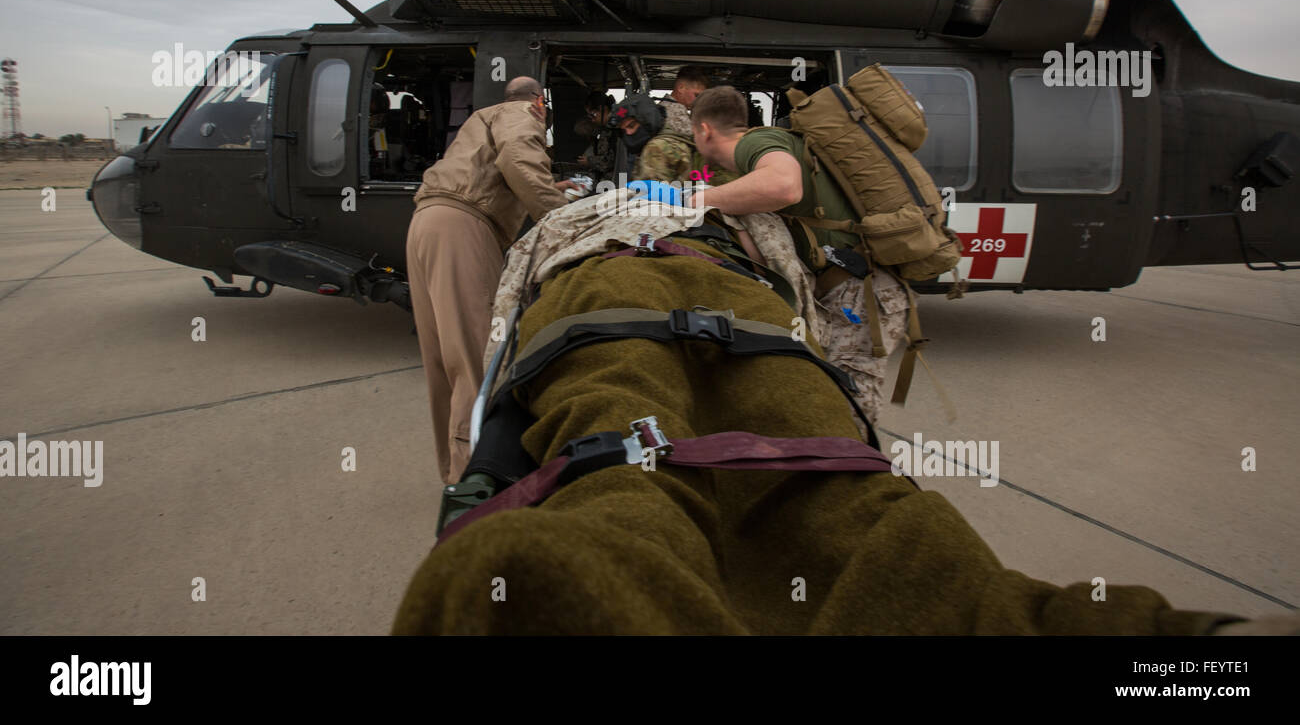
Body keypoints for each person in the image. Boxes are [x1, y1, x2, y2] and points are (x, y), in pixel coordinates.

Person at [392, 195, 1271, 635]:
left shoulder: (579, 216)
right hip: (744, 304)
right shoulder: (737, 220)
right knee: (838, 488)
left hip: (604, 286)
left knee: (618, 451)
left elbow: (519, 295)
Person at [689, 85, 908, 431]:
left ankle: (850, 475)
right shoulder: (759, 152)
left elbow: (783, 187)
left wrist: (699, 200)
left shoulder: (755, 145)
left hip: (863, 292)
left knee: (847, 407)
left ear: (704, 130)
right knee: (822, 393)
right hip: (848, 287)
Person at [405, 76, 575, 483]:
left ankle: (454, 474)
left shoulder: (483, 117)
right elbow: (517, 158)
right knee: (479, 361)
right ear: (539, 103)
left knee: (444, 363)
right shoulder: (523, 113)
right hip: (464, 227)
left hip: (428, 223)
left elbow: (494, 170)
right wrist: (562, 219)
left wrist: (551, 187)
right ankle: (477, 486)